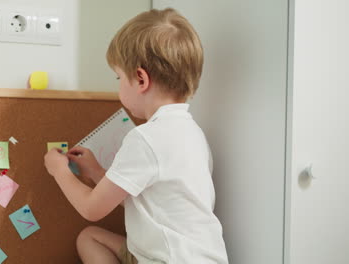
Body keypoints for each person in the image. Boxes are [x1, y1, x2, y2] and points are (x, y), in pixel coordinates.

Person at [44, 8, 228, 264]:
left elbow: (91, 208)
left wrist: (59, 171)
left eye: (119, 77)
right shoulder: (193, 134)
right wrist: (97, 172)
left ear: (141, 79)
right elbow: (147, 202)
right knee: (90, 238)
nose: (118, 83)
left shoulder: (145, 138)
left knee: (89, 235)